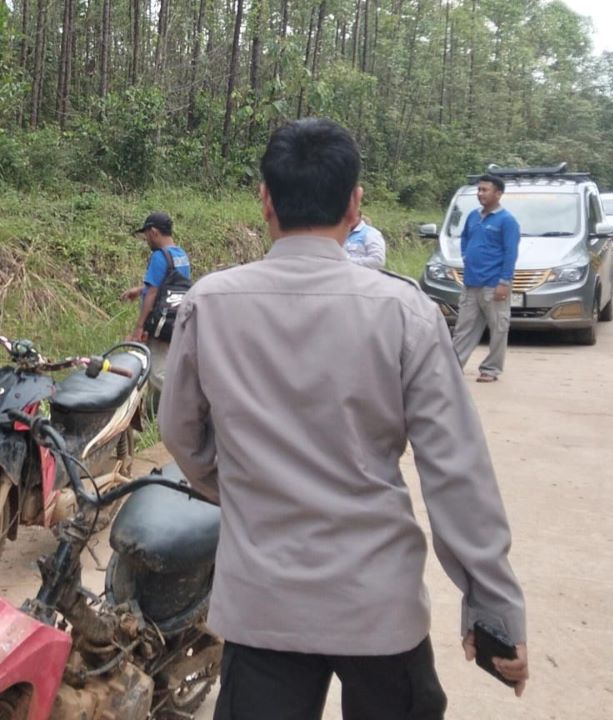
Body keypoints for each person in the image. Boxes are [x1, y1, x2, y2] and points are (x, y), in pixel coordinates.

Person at [159, 118, 528, 719]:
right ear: (355, 204)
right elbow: (455, 472)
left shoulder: (210, 303)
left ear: (265, 200)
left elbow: (179, 434)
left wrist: (243, 489)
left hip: (263, 608)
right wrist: (493, 609)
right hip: (379, 609)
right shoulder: (404, 311)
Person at [453, 173, 520, 382]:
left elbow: (511, 253)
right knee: (463, 328)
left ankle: (490, 369)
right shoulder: (473, 216)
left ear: (498, 194)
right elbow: (465, 239)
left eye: (485, 190)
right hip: (471, 283)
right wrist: (466, 256)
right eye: (479, 190)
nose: (480, 193)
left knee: (498, 328)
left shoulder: (507, 221)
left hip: (493, 284)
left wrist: (504, 282)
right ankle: (453, 367)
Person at [120, 212, 191, 394]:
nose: (146, 240)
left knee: (156, 372)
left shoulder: (159, 257)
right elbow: (171, 286)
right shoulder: (181, 255)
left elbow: (153, 293)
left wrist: (139, 327)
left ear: (153, 232)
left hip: (159, 323)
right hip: (176, 320)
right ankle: (149, 412)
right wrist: (139, 290)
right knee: (164, 364)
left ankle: (184, 403)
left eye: (146, 235)